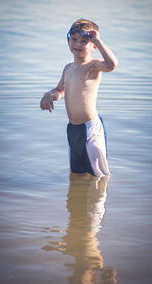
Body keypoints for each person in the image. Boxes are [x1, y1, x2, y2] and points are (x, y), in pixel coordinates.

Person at [40, 18, 118, 177]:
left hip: (90, 129)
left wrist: (99, 40)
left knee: (99, 175)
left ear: (93, 46)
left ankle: (100, 200)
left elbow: (112, 65)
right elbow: (60, 91)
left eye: (84, 41)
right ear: (68, 41)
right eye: (74, 39)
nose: (78, 44)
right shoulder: (67, 68)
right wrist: (49, 95)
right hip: (73, 129)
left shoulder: (94, 66)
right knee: (77, 174)